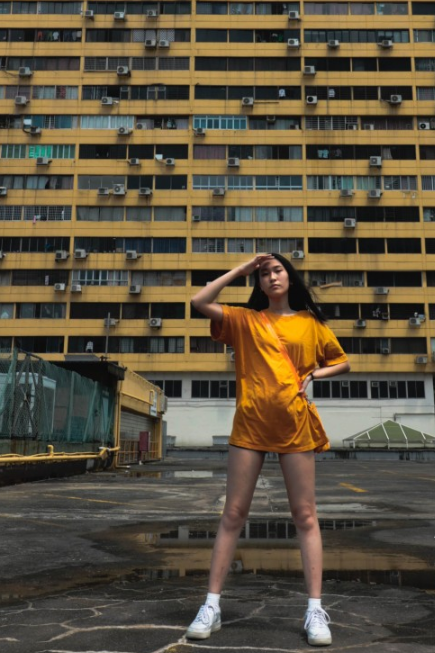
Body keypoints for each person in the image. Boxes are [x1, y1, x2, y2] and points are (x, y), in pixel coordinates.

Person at [186, 253, 351, 647]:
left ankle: (315, 610)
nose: (272, 277)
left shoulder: (311, 324)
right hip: (250, 424)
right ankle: (211, 605)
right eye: (264, 273)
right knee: (233, 514)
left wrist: (315, 373)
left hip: (294, 424)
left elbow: (343, 362)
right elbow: (198, 302)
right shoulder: (245, 320)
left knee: (305, 516)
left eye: (277, 270)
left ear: (289, 278)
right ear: (258, 283)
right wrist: (240, 270)